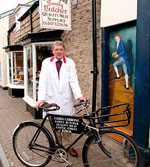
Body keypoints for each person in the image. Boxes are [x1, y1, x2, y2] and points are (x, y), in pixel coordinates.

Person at [35, 41, 86, 157]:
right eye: (56, 49)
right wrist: (41, 99)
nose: (59, 51)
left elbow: (73, 81)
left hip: (65, 99)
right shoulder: (46, 63)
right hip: (51, 98)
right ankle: (58, 145)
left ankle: (68, 146)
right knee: (55, 124)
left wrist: (79, 95)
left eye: (61, 49)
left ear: (64, 50)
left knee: (68, 124)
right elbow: (43, 81)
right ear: (53, 51)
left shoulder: (70, 63)